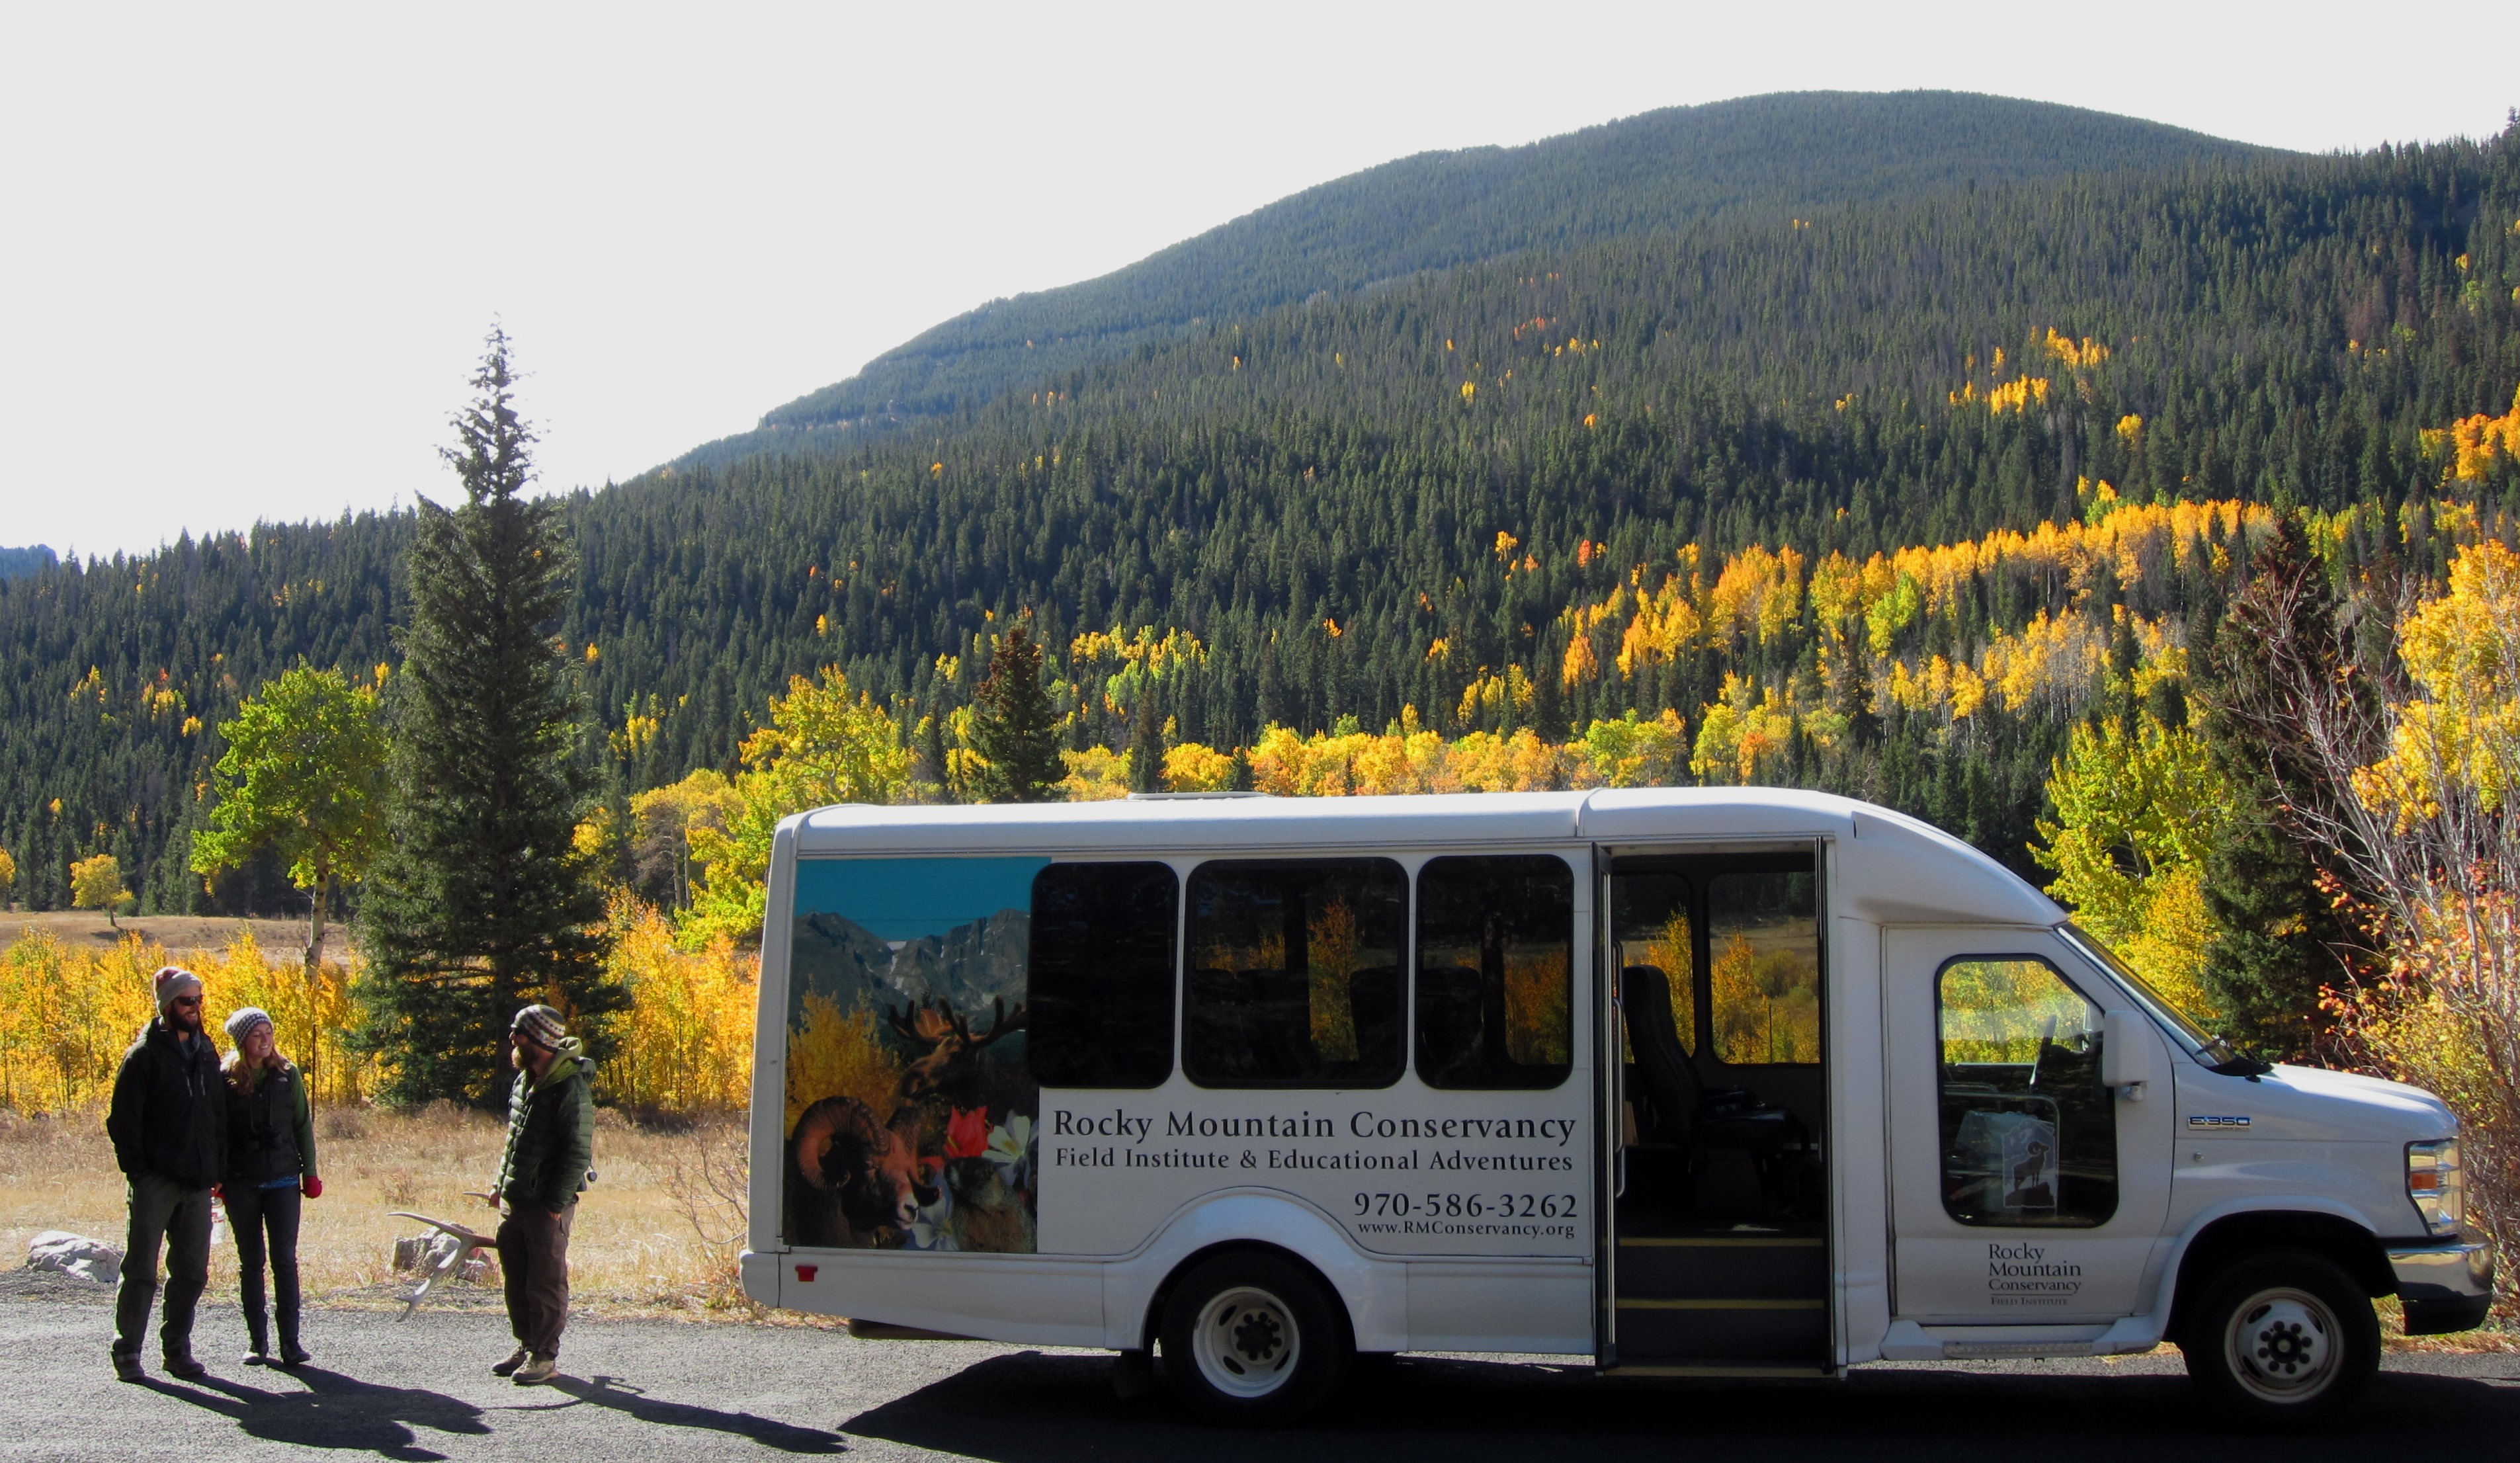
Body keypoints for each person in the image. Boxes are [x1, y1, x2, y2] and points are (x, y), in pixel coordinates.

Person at [105, 966, 226, 1382]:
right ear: (167, 1005)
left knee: (192, 1271)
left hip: (197, 1182)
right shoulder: (144, 1055)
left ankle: (176, 1350)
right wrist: (139, 1173)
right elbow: (122, 1121)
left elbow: (216, 1114)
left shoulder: (206, 1050)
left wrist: (216, 1168)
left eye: (198, 999)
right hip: (155, 1180)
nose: (195, 1008)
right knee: (141, 1269)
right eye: (186, 1000)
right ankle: (128, 1352)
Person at [487, 1003, 594, 1386]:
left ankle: (545, 1356)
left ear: (539, 1039)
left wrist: (554, 1205)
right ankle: (527, 1344)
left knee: (545, 1282)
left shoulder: (569, 1085)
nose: (512, 1039)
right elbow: (514, 1141)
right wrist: (500, 1184)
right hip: (516, 1202)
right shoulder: (523, 1081)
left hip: (547, 1205)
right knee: (516, 1278)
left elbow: (577, 1152)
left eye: (518, 1032)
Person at [220, 1007, 321, 1366]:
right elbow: (217, 1132)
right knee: (252, 1262)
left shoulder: (287, 1074)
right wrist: (218, 1177)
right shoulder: (225, 1078)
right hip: (241, 1181)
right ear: (242, 1040)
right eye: (256, 1035)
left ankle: (290, 1343)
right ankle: (257, 1342)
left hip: (282, 1179)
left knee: (284, 1260)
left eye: (268, 1033)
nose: (265, 1041)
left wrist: (309, 1172)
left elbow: (302, 1125)